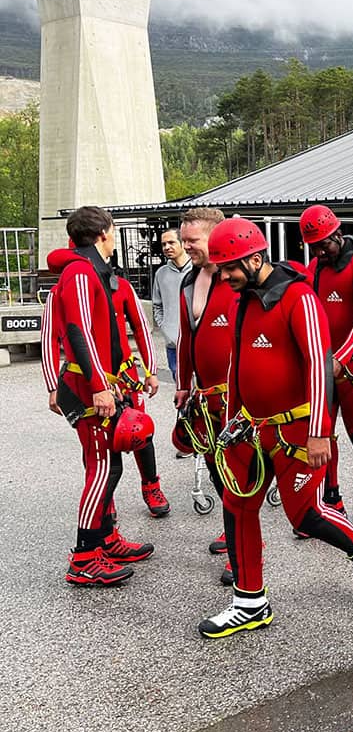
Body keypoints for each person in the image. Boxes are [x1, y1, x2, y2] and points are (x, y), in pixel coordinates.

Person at [197, 217, 353, 638]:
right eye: (220, 267)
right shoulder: (240, 300)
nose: (222, 276)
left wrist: (320, 432)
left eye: (228, 267)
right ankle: (250, 602)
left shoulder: (299, 298)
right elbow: (236, 367)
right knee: (237, 505)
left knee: (306, 516)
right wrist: (231, 422)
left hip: (297, 431)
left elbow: (319, 367)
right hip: (250, 429)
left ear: (256, 258)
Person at [45, 206, 154, 586]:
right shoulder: (78, 271)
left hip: (100, 382)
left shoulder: (92, 270)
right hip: (89, 386)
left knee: (111, 465)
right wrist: (99, 388)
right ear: (105, 232)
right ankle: (85, 557)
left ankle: (106, 539)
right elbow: (78, 331)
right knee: (101, 468)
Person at [299, 205, 353, 532]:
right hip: (326, 364)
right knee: (323, 431)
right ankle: (331, 498)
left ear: (338, 233)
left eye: (325, 244)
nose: (321, 252)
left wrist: (341, 358)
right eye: (315, 247)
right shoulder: (315, 268)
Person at [173, 207, 236, 571]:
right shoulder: (188, 281)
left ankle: (245, 546)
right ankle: (233, 531)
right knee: (215, 469)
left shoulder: (239, 279)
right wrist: (183, 385)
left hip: (237, 399)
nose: (186, 246)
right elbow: (186, 337)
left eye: (192, 241)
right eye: (184, 240)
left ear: (215, 237)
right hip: (203, 397)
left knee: (238, 473)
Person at [109, 267, 170, 517]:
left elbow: (141, 328)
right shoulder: (68, 288)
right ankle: (104, 497)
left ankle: (151, 486)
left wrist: (151, 370)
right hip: (91, 380)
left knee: (140, 432)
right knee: (101, 441)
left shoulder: (121, 287)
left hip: (125, 377)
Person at [151, 227, 191, 387]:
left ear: (183, 243)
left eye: (171, 242)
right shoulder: (161, 274)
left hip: (195, 344)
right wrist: (165, 329)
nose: (167, 247)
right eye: (163, 244)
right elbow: (157, 305)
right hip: (173, 345)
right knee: (180, 387)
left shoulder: (198, 271)